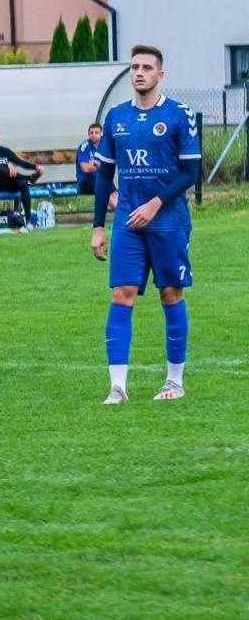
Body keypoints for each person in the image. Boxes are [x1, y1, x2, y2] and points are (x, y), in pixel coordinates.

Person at [90, 44, 200, 404]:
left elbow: (190, 173)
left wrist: (155, 204)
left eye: (147, 68)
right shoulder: (116, 118)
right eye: (135, 67)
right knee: (121, 296)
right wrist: (97, 226)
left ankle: (174, 381)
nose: (140, 72)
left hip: (168, 221)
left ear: (160, 75)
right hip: (127, 223)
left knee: (171, 294)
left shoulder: (179, 115)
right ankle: (117, 387)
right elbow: (105, 174)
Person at [0, 125, 42, 227]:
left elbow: (20, 162)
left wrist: (36, 167)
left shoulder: (4, 151)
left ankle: (28, 221)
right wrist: (7, 165)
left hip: (8, 182)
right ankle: (29, 178)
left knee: (23, 184)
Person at [76, 123, 101, 195]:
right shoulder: (84, 147)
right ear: (88, 134)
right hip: (85, 182)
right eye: (91, 133)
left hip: (100, 179)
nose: (93, 135)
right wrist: (98, 164)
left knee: (113, 190)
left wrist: (94, 164)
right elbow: (85, 168)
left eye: (96, 133)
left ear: (101, 134)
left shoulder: (104, 146)